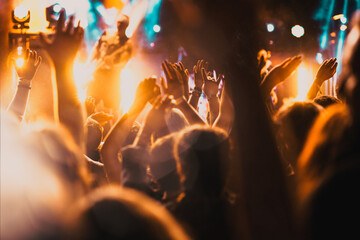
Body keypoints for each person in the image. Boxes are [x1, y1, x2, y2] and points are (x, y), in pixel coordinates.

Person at [87, 15, 133, 110]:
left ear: (126, 25)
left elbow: (124, 62)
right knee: (90, 102)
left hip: (112, 78)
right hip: (98, 75)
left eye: (122, 23)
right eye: (118, 22)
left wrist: (111, 65)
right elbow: (97, 47)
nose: (119, 25)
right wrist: (90, 62)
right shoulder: (107, 34)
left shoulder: (127, 43)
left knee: (112, 107)